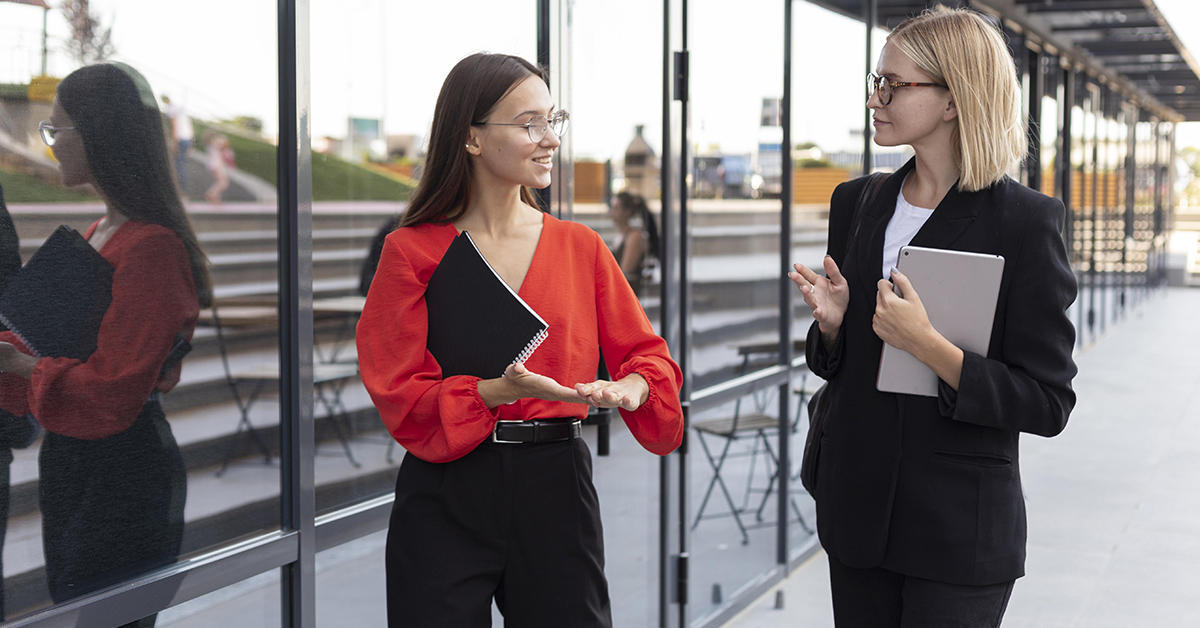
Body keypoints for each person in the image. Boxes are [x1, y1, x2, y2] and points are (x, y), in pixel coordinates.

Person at [356, 53, 684, 628]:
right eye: (530, 123)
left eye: (554, 120)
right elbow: (397, 390)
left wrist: (633, 386)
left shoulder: (580, 248)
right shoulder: (411, 252)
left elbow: (646, 356)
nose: (550, 139)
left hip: (556, 484)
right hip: (446, 491)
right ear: (472, 139)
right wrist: (490, 392)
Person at [788, 7, 1077, 627]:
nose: (876, 96)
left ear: (953, 100)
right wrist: (833, 326)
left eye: (894, 83)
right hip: (858, 512)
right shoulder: (858, 202)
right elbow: (838, 366)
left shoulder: (1026, 222)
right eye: (876, 80)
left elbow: (1047, 402)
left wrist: (929, 347)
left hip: (958, 530)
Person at [0, 63, 212, 627]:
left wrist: (22, 364)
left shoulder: (151, 248)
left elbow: (115, 390)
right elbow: (47, 338)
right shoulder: (101, 232)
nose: (51, 145)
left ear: (96, 133)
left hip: (122, 469)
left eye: (55, 131)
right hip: (77, 459)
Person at [607, 190, 660, 297]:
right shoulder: (622, 235)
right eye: (611, 208)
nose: (611, 212)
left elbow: (625, 271)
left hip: (627, 296)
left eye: (616, 208)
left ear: (627, 212)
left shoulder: (634, 237)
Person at [161, 95, 194, 192]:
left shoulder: (171, 110)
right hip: (187, 137)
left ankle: (179, 187)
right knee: (182, 162)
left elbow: (174, 127)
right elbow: (189, 125)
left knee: (179, 163)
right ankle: (182, 186)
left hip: (180, 138)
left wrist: (174, 142)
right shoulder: (180, 108)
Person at [203, 130, 231, 204]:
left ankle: (215, 198)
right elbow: (223, 144)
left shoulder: (210, 145)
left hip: (212, 165)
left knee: (220, 182)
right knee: (223, 183)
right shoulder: (215, 145)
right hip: (216, 165)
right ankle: (211, 193)